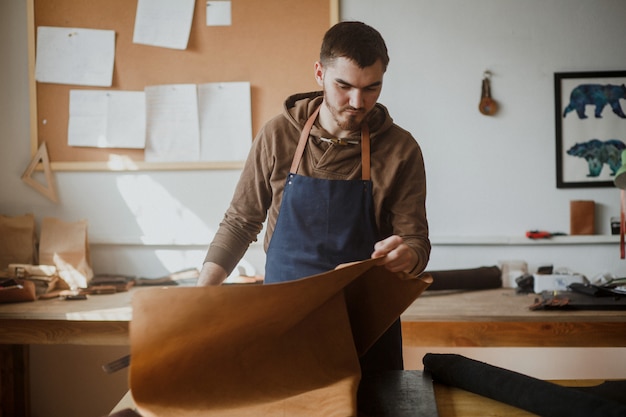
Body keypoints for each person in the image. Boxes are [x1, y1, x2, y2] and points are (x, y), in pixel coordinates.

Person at [197, 21, 430, 371]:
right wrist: (202, 297)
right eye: (344, 86)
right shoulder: (278, 135)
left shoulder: (401, 149)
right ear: (320, 73)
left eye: (371, 88)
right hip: (286, 321)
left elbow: (416, 242)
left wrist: (407, 256)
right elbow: (240, 222)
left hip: (365, 329)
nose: (357, 102)